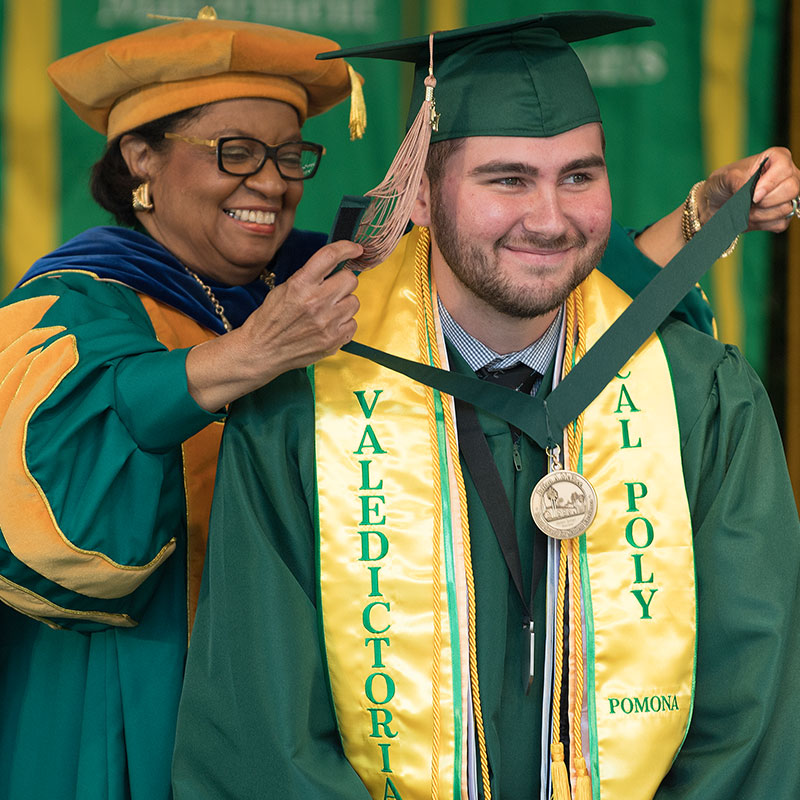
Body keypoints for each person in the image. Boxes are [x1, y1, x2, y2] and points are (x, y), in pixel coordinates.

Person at [172, 10, 800, 800]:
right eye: (506, 179)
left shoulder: (702, 396)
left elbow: (754, 711)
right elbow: (261, 733)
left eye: (579, 175)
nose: (550, 218)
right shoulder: (305, 407)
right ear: (423, 197)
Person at [0, 9, 364, 800]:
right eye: (235, 152)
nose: (271, 181)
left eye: (289, 155)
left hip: (291, 690)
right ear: (140, 158)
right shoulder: (76, 300)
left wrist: (686, 226)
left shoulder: (305, 289)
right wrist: (248, 354)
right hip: (135, 683)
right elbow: (64, 445)